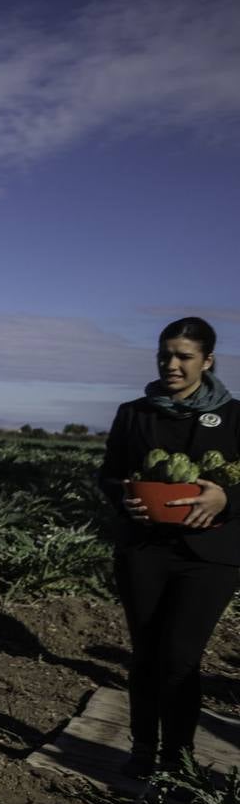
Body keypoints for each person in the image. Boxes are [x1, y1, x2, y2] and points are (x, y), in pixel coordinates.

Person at [99, 316, 240, 777]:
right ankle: (141, 749)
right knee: (146, 653)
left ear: (208, 360)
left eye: (184, 357)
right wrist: (126, 500)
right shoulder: (134, 413)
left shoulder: (236, 417)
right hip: (146, 550)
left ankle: (178, 758)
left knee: (180, 658)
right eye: (165, 355)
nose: (172, 365)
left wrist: (225, 497)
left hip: (210, 556)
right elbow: (111, 475)